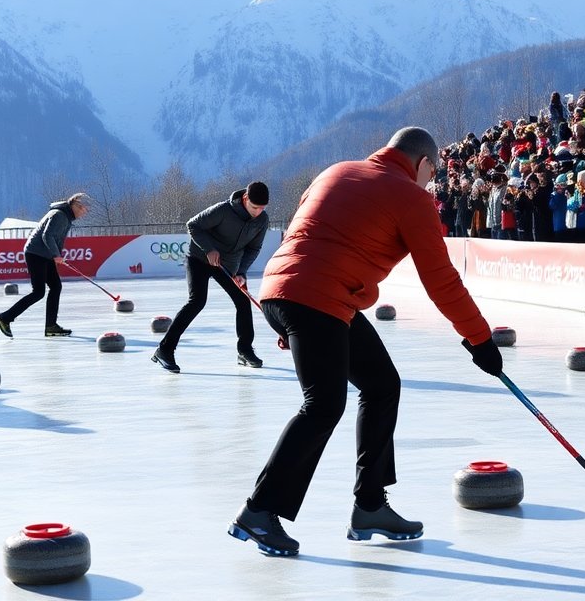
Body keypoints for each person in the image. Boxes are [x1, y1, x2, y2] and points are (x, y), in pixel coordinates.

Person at [229, 127, 502, 557]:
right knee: (323, 403)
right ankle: (260, 511)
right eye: (432, 173)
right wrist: (480, 339)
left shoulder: (336, 171)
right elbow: (441, 281)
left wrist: (287, 316)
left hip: (287, 291)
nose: (431, 182)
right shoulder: (412, 197)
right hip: (318, 296)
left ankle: (370, 505)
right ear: (423, 164)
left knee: (380, 384)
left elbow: (303, 234)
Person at [151, 182, 271, 373]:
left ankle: (245, 351)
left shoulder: (262, 221)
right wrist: (209, 249)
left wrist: (241, 272)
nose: (257, 212)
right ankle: (164, 350)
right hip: (198, 258)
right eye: (255, 207)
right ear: (245, 199)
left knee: (242, 300)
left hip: (227, 265)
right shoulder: (224, 210)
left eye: (262, 208)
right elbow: (193, 225)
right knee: (197, 301)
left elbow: (253, 248)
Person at [0, 193, 89, 338]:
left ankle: (51, 326)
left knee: (56, 287)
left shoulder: (65, 216)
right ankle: (5, 318)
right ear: (76, 206)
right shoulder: (59, 215)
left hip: (44, 254)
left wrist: (56, 254)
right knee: (38, 292)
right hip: (36, 253)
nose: (84, 213)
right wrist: (56, 255)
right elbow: (47, 235)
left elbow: (53, 238)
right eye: (83, 209)